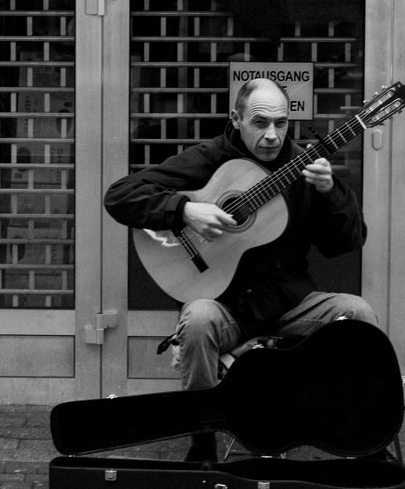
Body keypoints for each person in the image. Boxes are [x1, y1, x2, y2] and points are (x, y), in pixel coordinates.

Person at [104, 77, 378, 463]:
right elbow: (119, 196)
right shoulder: (208, 160)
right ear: (236, 118)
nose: (271, 135)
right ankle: (202, 438)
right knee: (197, 319)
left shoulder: (304, 168)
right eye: (260, 123)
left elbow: (346, 243)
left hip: (289, 301)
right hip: (225, 305)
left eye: (280, 124)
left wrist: (330, 193)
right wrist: (184, 209)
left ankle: (362, 436)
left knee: (358, 315)